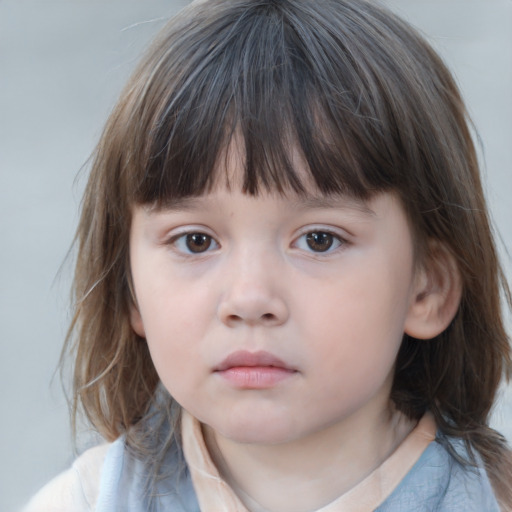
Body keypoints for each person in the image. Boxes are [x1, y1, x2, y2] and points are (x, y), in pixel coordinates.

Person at [24, 0, 512, 510]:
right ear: (130, 291)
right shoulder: (87, 501)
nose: (250, 298)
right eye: (196, 241)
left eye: (319, 239)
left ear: (427, 287)